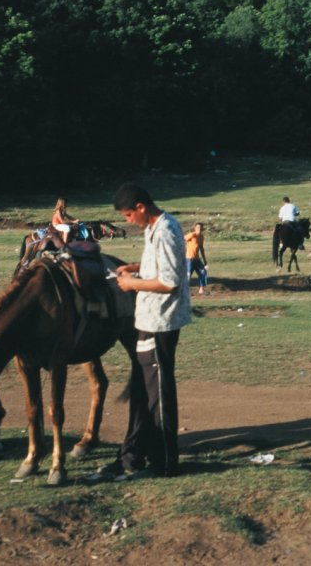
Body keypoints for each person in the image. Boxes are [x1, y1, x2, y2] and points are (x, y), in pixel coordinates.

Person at [95, 183, 191, 480]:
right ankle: (134, 452)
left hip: (161, 321)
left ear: (140, 207)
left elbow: (170, 282)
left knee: (159, 393)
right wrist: (135, 268)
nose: (128, 222)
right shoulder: (154, 229)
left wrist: (132, 284)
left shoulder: (163, 231)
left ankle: (164, 463)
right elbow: (160, 267)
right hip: (147, 319)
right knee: (143, 389)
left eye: (127, 215)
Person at [185, 222, 208, 295]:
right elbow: (183, 239)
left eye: (200, 228)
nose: (199, 229)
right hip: (189, 259)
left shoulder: (201, 237)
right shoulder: (192, 235)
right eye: (197, 228)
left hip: (197, 259)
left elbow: (201, 248)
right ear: (195, 228)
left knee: (203, 272)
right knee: (188, 275)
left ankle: (201, 289)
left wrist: (204, 260)